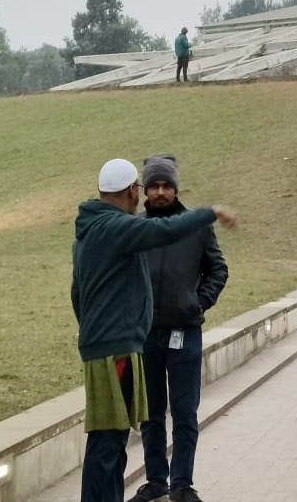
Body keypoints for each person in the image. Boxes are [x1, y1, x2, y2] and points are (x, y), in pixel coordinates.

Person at [72, 159, 237, 502]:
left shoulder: (94, 230)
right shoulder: (115, 228)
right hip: (113, 349)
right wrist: (211, 212)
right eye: (146, 187)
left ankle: (178, 483)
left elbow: (78, 293)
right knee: (108, 440)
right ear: (133, 190)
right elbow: (164, 231)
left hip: (113, 343)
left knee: (113, 439)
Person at [127, 156, 228, 502]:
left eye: (165, 185)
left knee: (185, 411)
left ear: (175, 188)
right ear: (145, 190)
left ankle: (182, 483)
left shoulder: (195, 227)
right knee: (151, 413)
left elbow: (218, 270)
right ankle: (156, 479)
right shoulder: (137, 229)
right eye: (153, 186)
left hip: (185, 332)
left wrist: (198, 303)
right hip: (146, 334)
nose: (159, 192)